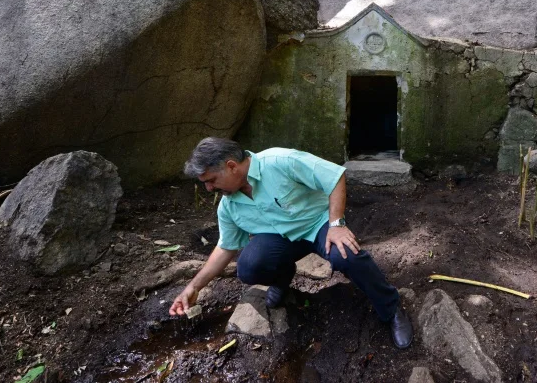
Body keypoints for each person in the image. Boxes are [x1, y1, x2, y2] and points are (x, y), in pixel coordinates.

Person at [169, 137, 413, 349]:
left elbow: (334, 176)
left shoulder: (279, 161)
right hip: (280, 241)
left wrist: (337, 224)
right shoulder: (229, 206)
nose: (209, 187)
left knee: (346, 255)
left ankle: (391, 309)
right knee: (249, 267)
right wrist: (194, 287)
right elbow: (225, 247)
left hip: (317, 224)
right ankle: (283, 278)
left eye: (211, 180)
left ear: (231, 166)